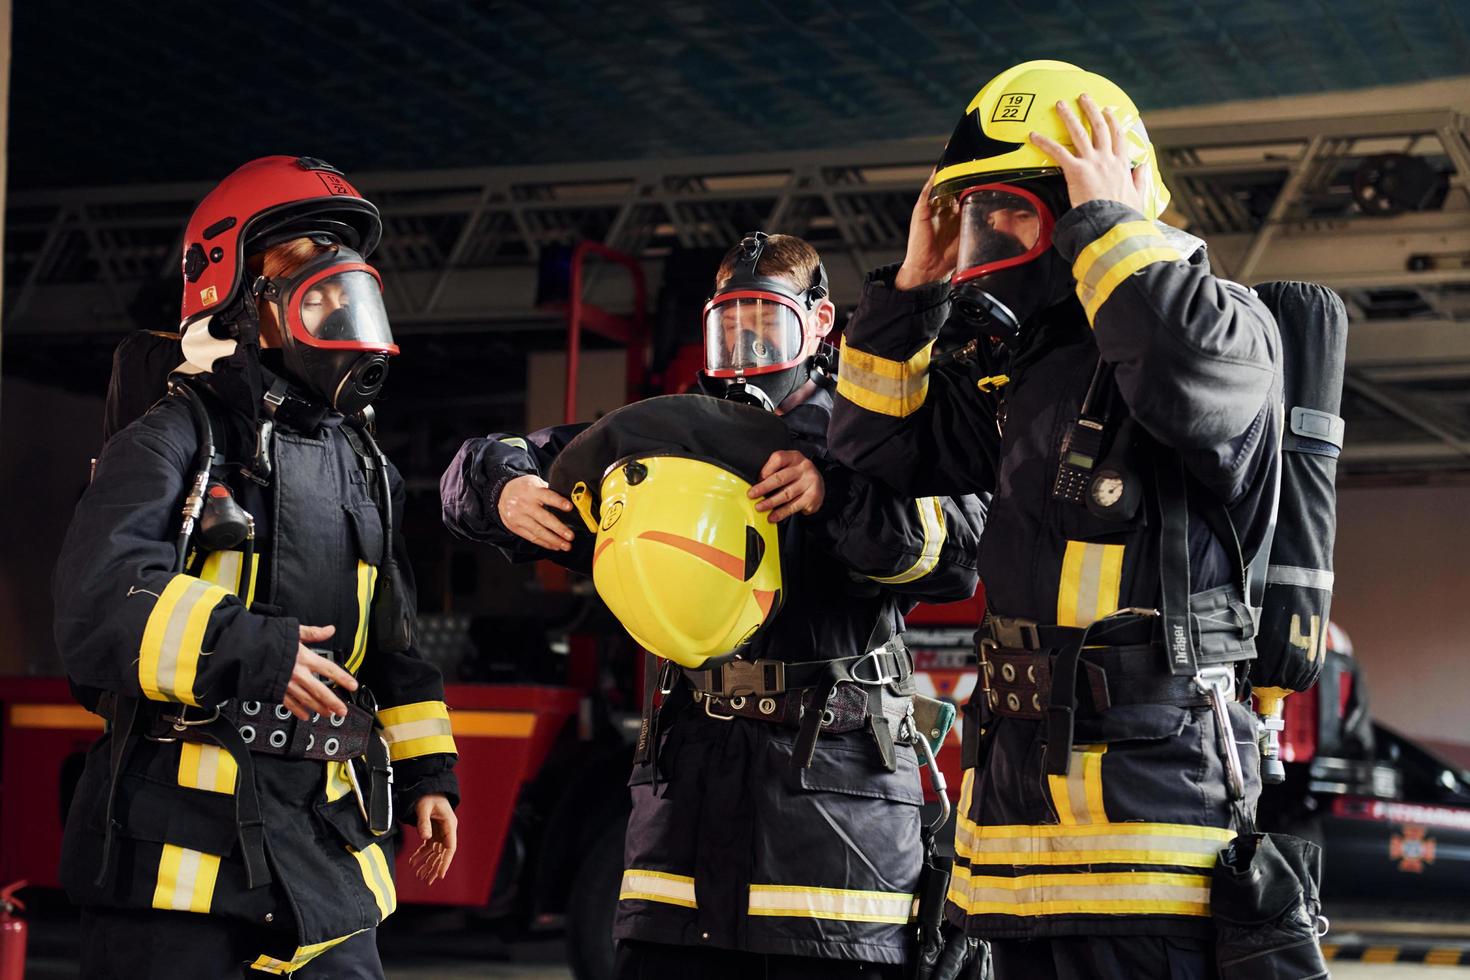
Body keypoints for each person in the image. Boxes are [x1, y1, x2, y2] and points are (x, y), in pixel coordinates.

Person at [827, 61, 1281, 979]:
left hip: (1151, 845)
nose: (987, 244)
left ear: (1098, 198)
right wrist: (912, 288)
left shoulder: (1230, 325)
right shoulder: (1029, 375)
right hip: (1019, 847)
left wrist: (1113, 227)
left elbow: (1185, 380)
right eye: (974, 222)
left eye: (1012, 215)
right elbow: (876, 449)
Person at [441, 232, 987, 979]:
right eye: (727, 325)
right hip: (685, 810)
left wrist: (835, 495)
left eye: (766, 321)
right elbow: (493, 462)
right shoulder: (667, 439)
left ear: (820, 322)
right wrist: (503, 487)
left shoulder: (872, 433)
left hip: (835, 821)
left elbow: (956, 552)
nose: (745, 345)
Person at [53, 156, 460, 978]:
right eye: (300, 264)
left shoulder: (366, 467)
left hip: (325, 854)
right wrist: (258, 650)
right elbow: (97, 608)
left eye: (337, 263)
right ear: (236, 293)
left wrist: (428, 772)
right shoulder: (170, 440)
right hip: (173, 875)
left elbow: (392, 647)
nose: (333, 289)